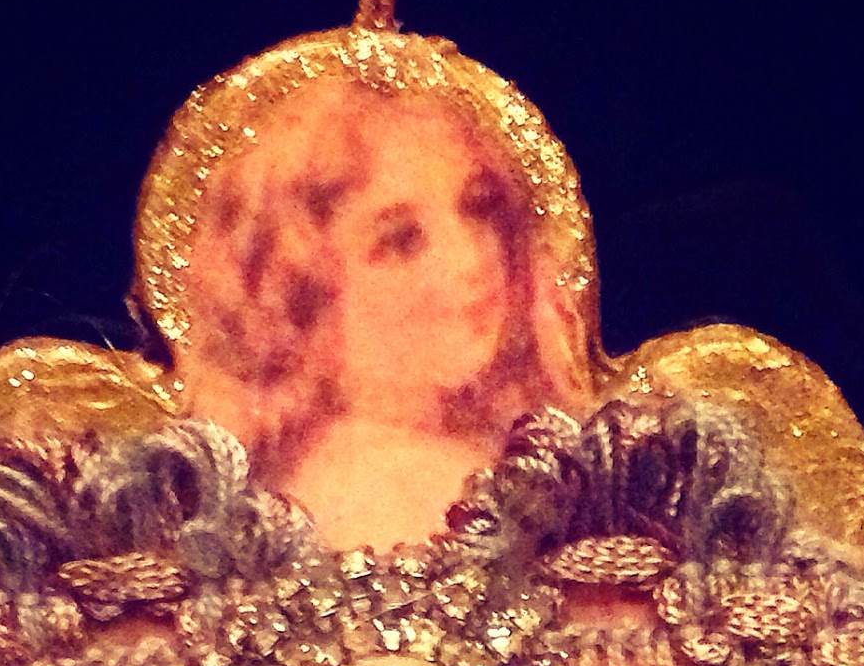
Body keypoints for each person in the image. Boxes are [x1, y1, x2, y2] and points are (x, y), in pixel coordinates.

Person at [179, 78, 588, 549]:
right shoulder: (394, 480)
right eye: (401, 241)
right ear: (298, 293)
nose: (470, 260)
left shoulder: (483, 447)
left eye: (479, 209)